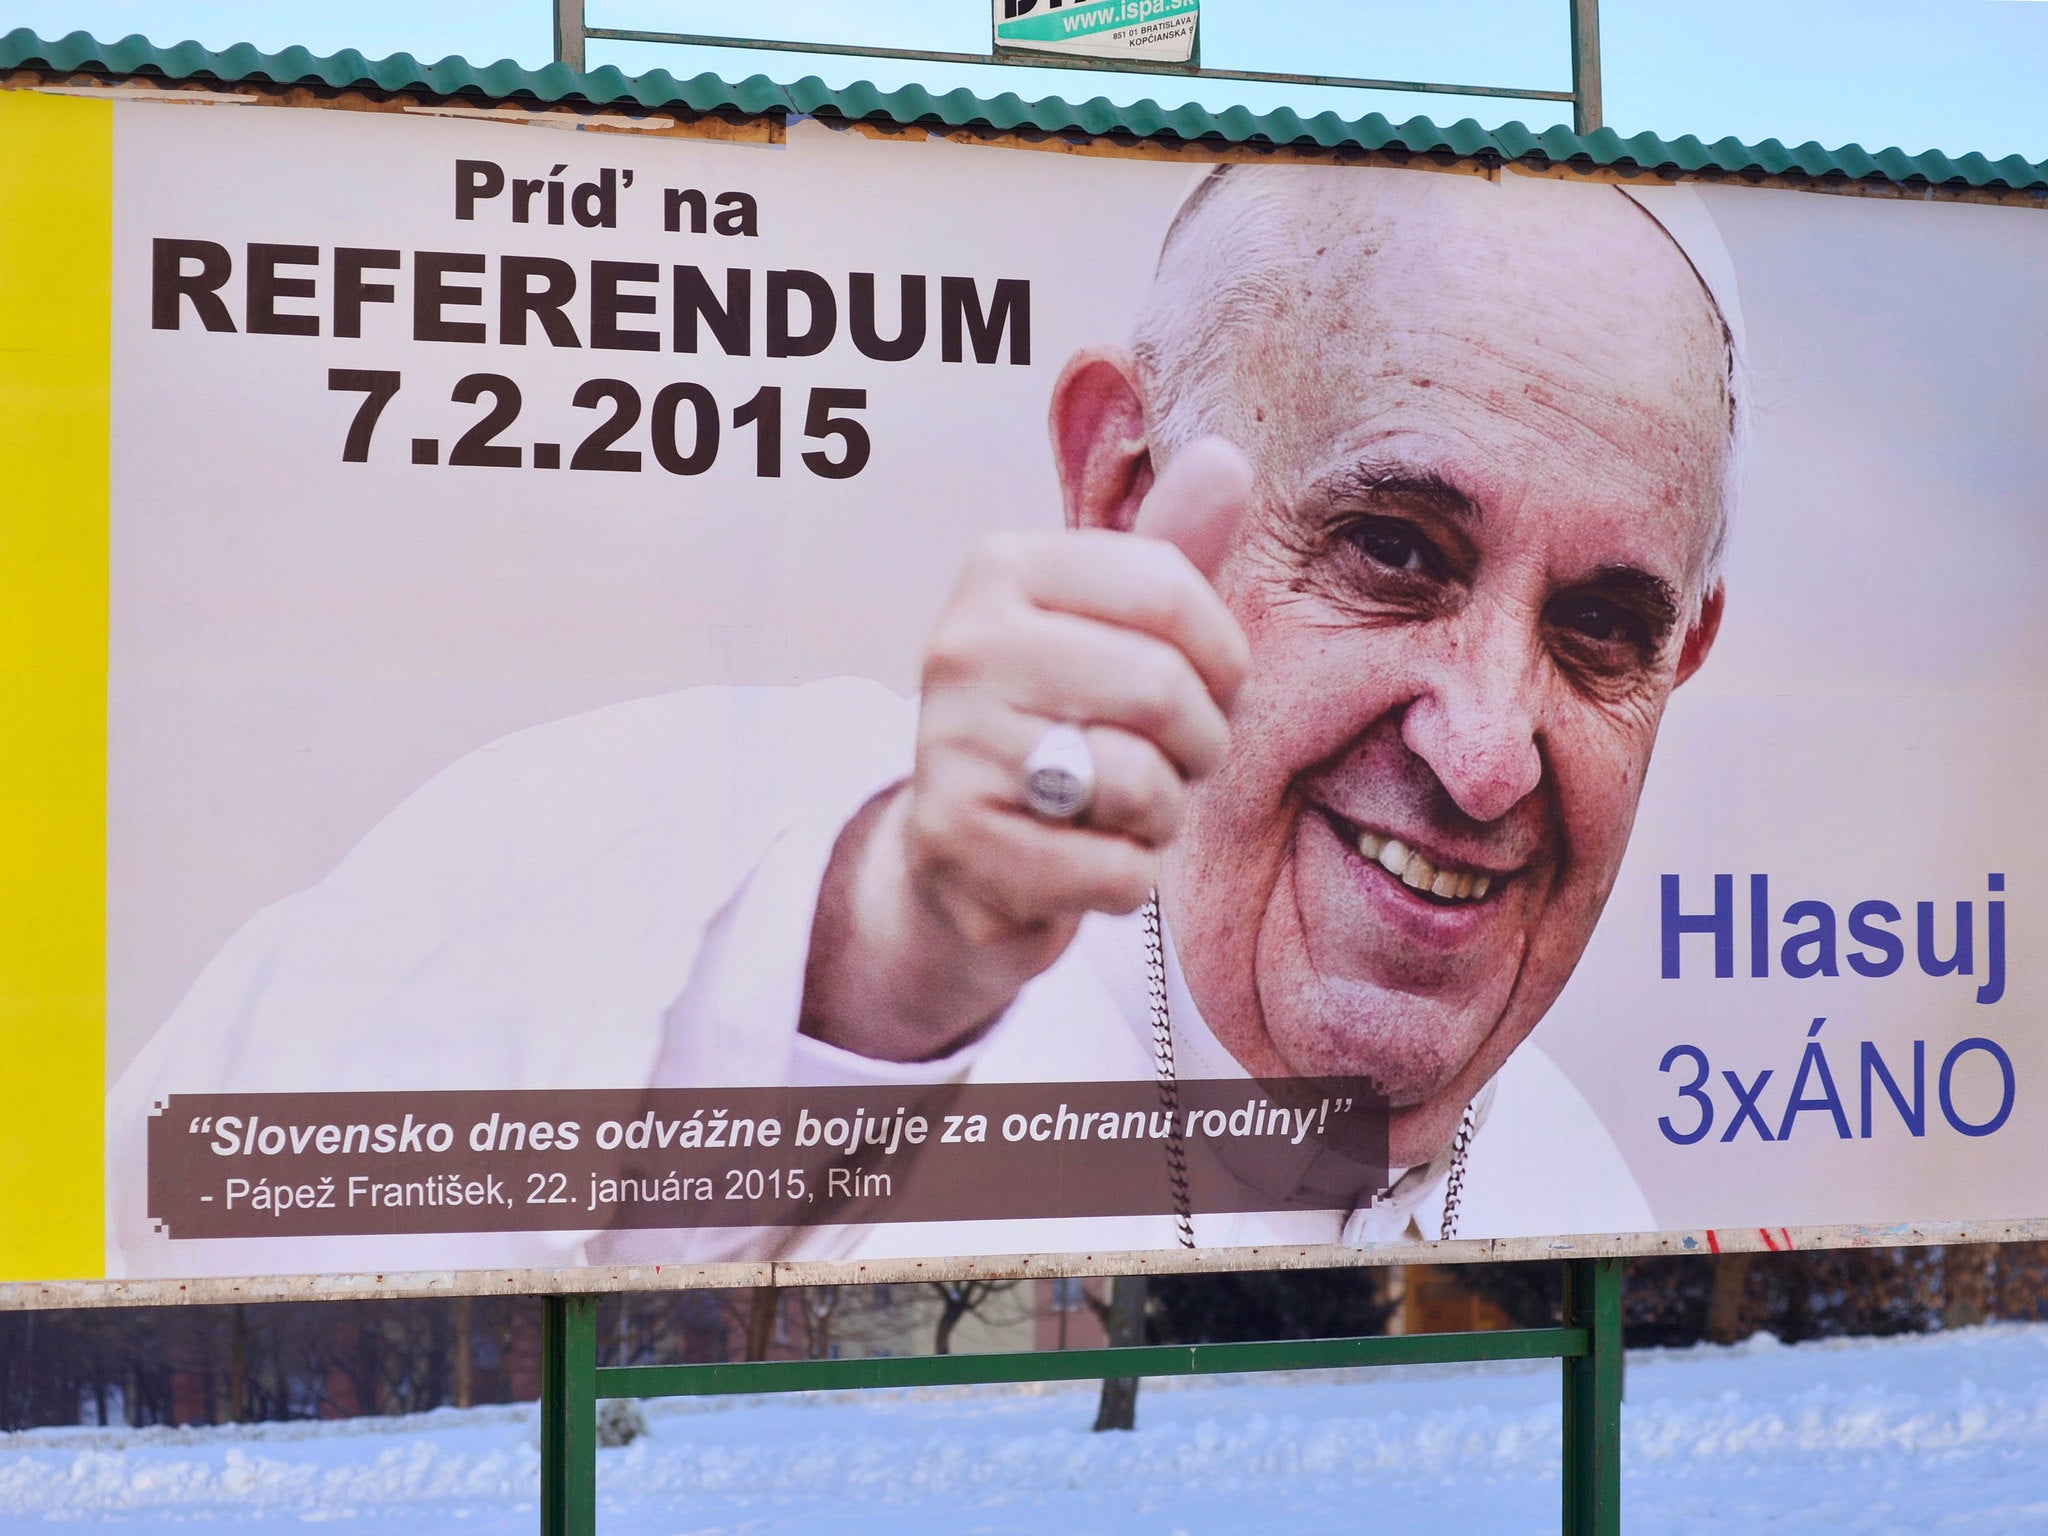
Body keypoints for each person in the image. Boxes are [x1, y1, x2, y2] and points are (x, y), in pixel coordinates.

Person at [109, 162, 1739, 1278]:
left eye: (1601, 631)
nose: (1483, 750)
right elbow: (176, 1215)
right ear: (1124, 489)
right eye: (1394, 549)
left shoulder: (1576, 1193)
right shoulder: (684, 831)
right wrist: (881, 965)